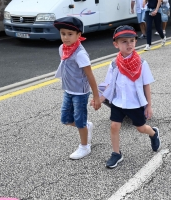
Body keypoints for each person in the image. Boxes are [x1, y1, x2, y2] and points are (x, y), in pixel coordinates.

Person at [93, 25, 161, 169]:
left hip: (134, 104)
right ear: (116, 44)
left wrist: (149, 105)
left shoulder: (142, 63)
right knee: (114, 126)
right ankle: (116, 153)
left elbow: (146, 85)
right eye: (124, 41)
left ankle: (153, 133)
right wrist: (100, 99)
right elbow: (109, 85)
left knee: (141, 128)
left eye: (132, 40)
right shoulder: (114, 64)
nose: (129, 44)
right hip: (118, 102)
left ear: (136, 42)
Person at [53, 17, 101, 160]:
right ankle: (86, 126)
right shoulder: (63, 48)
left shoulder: (80, 54)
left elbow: (90, 75)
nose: (66, 37)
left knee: (79, 120)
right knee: (66, 119)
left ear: (78, 35)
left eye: (70, 34)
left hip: (80, 92)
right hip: (68, 90)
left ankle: (84, 147)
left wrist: (96, 97)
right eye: (63, 33)